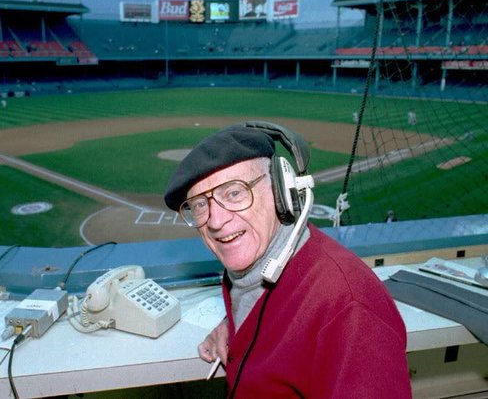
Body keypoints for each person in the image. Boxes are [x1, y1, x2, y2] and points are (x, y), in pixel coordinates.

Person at [164, 123, 411, 398]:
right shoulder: (254, 269)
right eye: (200, 205)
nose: (216, 221)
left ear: (282, 190)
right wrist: (235, 327)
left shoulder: (349, 306)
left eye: (234, 193)